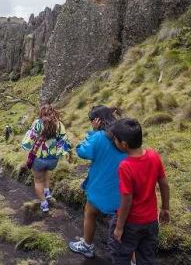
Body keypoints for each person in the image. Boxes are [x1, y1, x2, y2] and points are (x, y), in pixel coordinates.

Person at [108, 118, 170, 265]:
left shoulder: (125, 166)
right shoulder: (154, 156)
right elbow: (164, 183)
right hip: (151, 222)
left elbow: (126, 199)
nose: (114, 141)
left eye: (115, 139)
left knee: (120, 256)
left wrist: (119, 227)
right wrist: (165, 208)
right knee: (146, 257)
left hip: (131, 223)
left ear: (124, 144)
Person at [69, 105, 126, 258]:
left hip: (101, 185)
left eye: (91, 120)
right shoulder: (124, 134)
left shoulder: (99, 136)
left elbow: (82, 151)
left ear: (97, 120)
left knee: (90, 212)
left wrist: (92, 133)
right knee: (122, 222)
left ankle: (87, 246)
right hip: (123, 189)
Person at [21, 104, 71, 213]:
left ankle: (44, 204)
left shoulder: (38, 123)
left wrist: (26, 153)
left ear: (42, 113)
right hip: (53, 159)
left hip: (38, 158)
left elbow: (28, 140)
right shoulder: (59, 124)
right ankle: (47, 192)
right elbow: (64, 141)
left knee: (38, 180)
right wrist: (64, 153)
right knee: (47, 170)